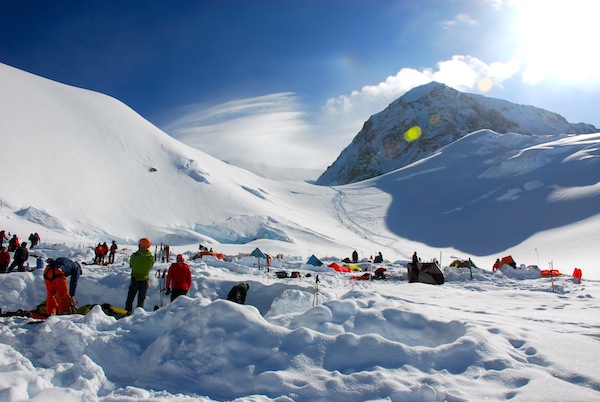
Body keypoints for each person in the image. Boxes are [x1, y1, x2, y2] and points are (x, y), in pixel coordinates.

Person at [125, 238, 155, 313]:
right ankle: (139, 314)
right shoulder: (150, 257)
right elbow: (150, 266)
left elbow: (131, 265)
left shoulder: (135, 256)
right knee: (141, 300)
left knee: (130, 298)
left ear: (140, 245)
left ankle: (127, 312)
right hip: (144, 280)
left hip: (135, 279)